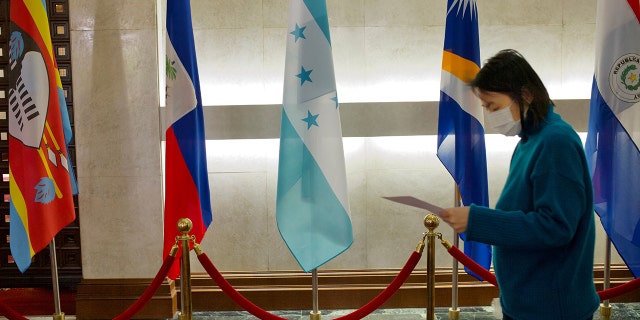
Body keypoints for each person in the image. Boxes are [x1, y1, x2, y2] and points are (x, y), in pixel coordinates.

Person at [439, 49, 600, 320]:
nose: (489, 115)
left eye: (493, 106)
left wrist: (478, 221)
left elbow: (556, 227)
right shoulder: (530, 141)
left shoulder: (555, 142)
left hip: (551, 308)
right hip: (527, 302)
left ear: (525, 95)